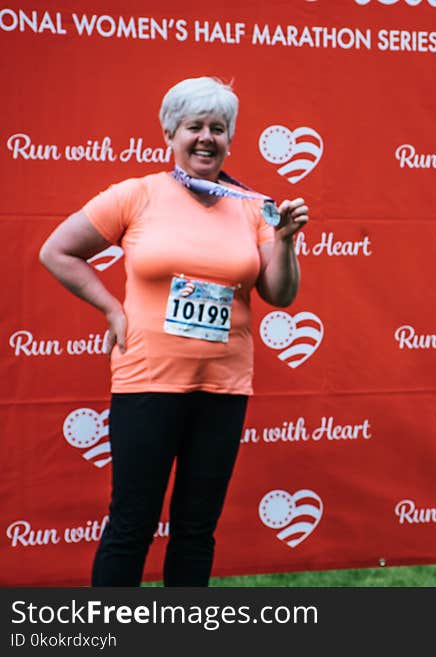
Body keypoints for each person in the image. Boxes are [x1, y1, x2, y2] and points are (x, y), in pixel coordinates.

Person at [39, 76, 309, 586]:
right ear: (170, 134)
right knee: (131, 525)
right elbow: (57, 251)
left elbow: (281, 294)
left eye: (218, 128)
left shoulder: (254, 207)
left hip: (223, 387)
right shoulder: (136, 195)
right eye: (195, 127)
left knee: (196, 530)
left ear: (230, 139)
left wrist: (286, 241)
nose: (207, 137)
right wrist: (112, 311)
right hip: (147, 381)